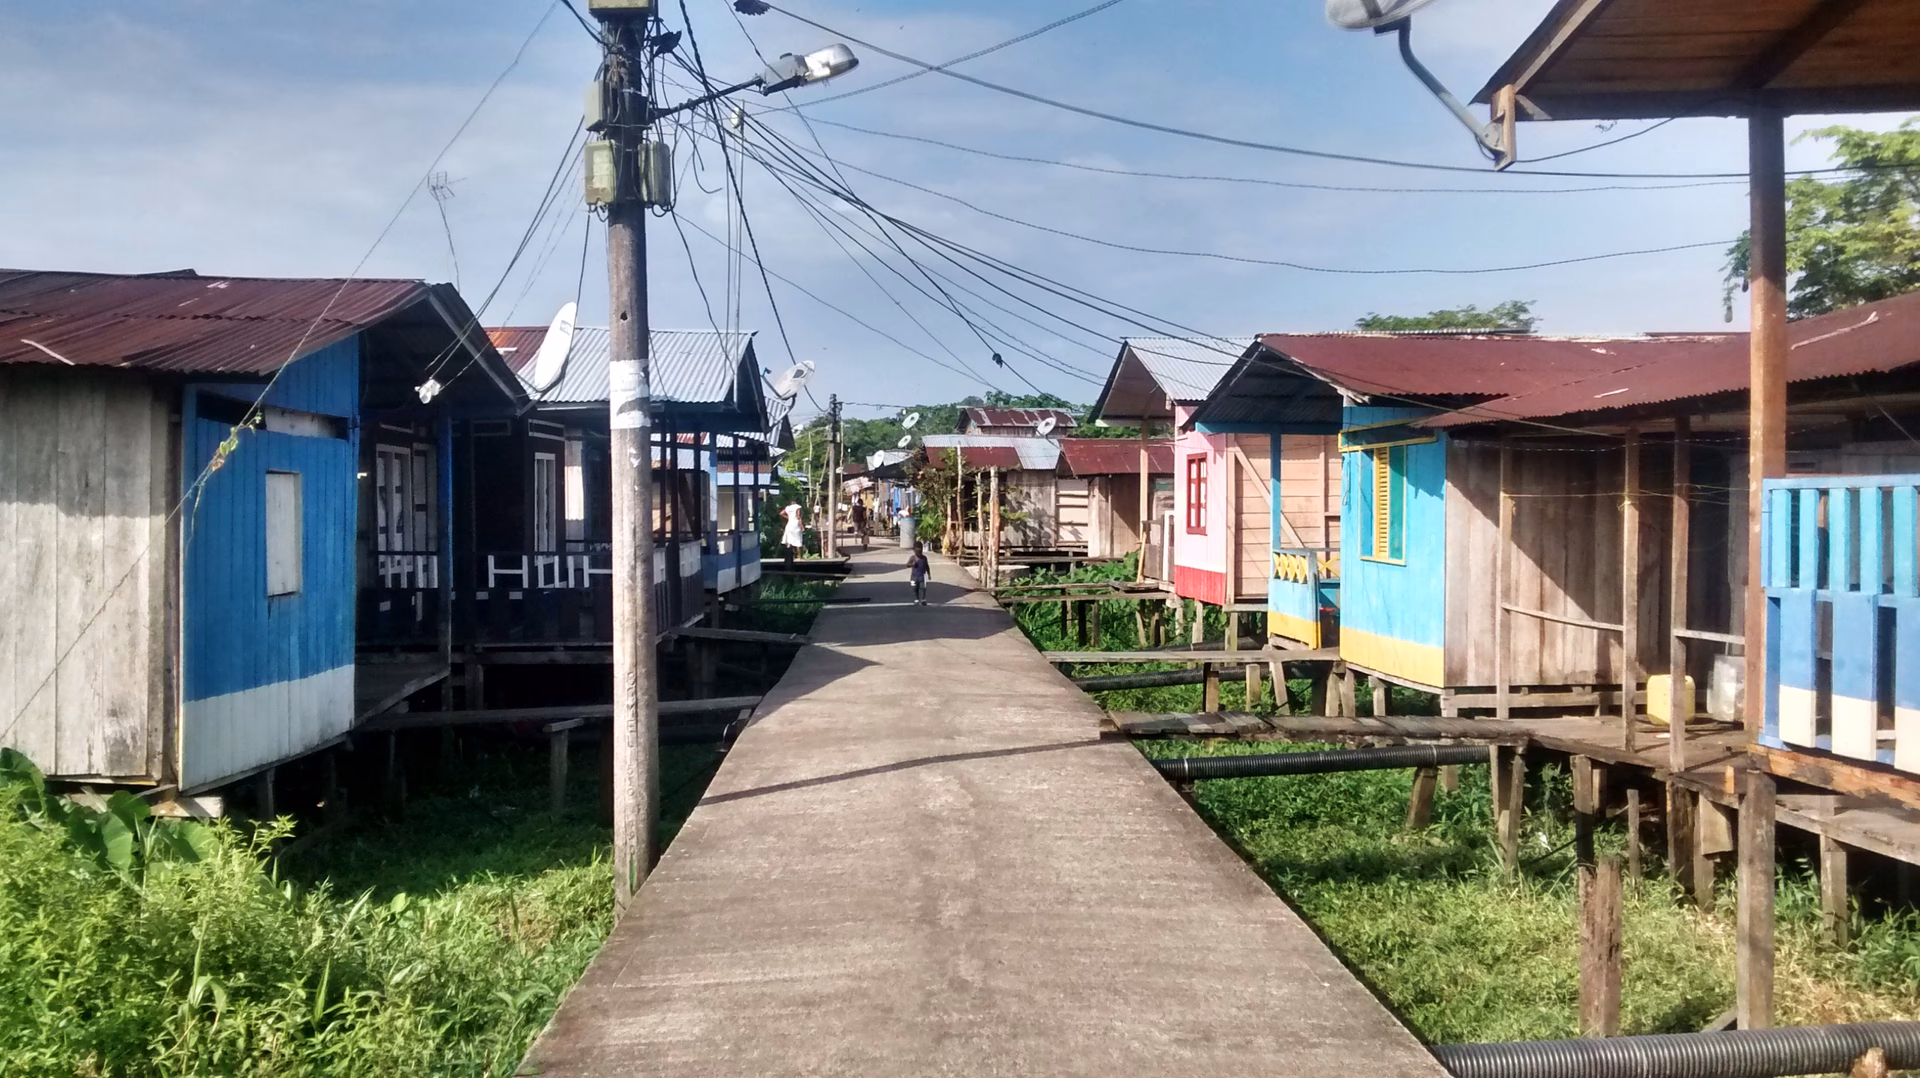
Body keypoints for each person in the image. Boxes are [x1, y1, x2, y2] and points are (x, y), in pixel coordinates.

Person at [780, 501, 804, 566]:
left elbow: (781, 513)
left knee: (789, 541)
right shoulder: (797, 507)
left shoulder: (788, 508)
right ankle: (800, 557)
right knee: (798, 540)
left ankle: (788, 556)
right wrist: (802, 526)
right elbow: (799, 517)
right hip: (796, 524)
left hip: (789, 524)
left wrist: (789, 518)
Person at [907, 541, 930, 605]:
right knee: (914, 588)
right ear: (914, 551)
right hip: (914, 576)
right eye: (918, 551)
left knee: (923, 587)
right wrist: (912, 564)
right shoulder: (912, 558)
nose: (919, 553)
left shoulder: (924, 558)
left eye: (921, 551)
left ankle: (923, 599)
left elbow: (927, 566)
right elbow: (907, 565)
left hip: (922, 575)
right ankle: (916, 599)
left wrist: (929, 574)